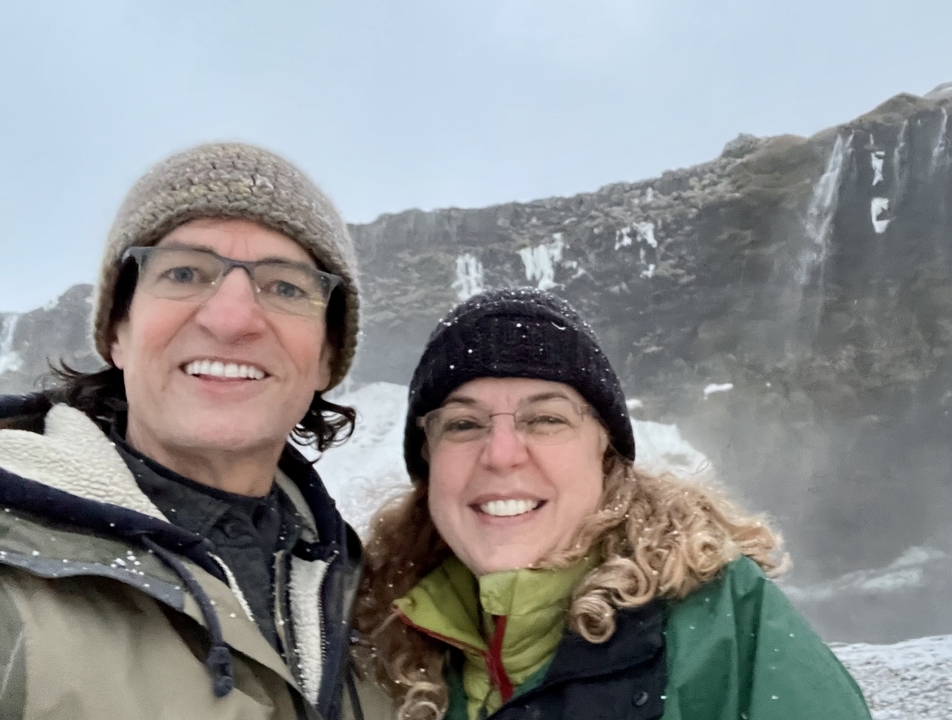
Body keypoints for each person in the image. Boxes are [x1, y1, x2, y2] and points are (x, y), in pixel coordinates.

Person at [353, 288, 871, 720]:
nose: (502, 455)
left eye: (547, 419)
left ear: (607, 454)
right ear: (428, 464)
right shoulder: (366, 639)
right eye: (463, 424)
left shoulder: (727, 624)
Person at [0, 143, 365, 720]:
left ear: (326, 359)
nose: (232, 319)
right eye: (185, 273)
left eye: (286, 286)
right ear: (117, 330)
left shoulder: (378, 606)